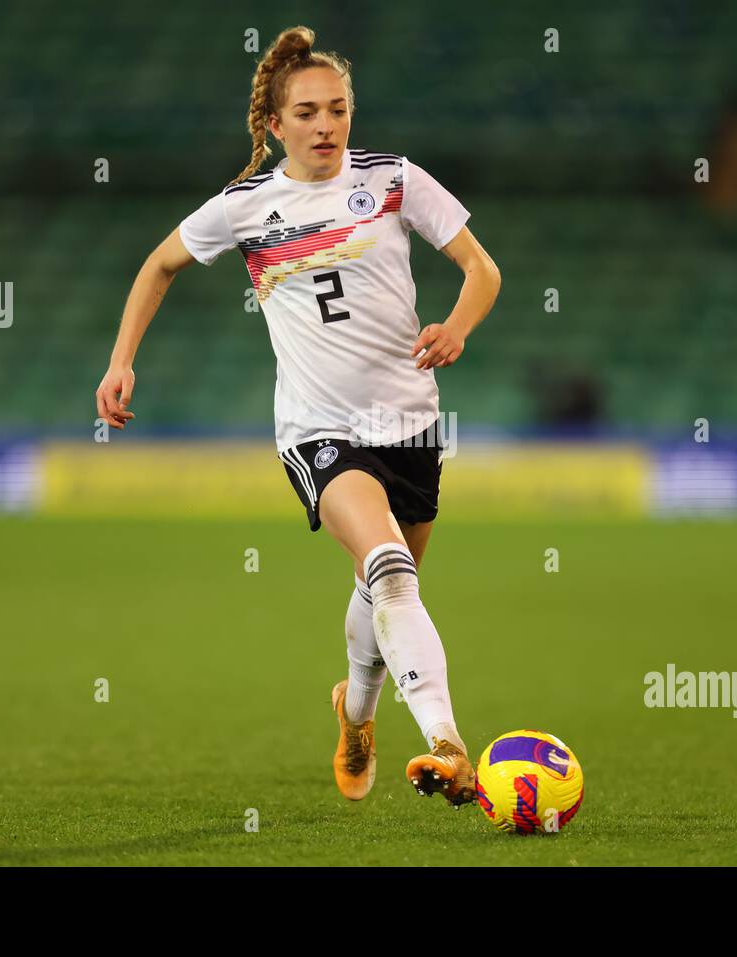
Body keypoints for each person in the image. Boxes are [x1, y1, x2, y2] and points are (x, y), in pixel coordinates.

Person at [94, 26, 501, 807]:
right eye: (308, 112)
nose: (326, 126)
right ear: (276, 125)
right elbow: (160, 264)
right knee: (389, 567)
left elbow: (482, 269)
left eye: (338, 110)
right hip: (319, 430)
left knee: (385, 582)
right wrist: (121, 360)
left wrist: (457, 325)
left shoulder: (393, 180)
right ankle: (449, 745)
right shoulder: (247, 207)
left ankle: (355, 711)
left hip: (412, 425)